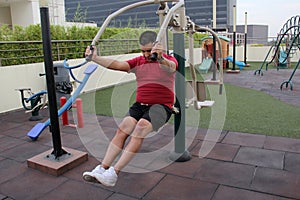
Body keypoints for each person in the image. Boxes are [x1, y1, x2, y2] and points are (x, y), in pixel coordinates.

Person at [82, 31, 178, 187]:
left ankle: (114, 173)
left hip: (161, 107)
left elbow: (171, 67)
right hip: (140, 105)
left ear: (158, 47)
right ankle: (102, 168)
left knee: (140, 128)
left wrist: (160, 57)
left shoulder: (168, 60)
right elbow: (118, 65)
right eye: (143, 51)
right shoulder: (139, 61)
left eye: (149, 51)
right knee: (123, 129)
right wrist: (95, 58)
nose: (146, 54)